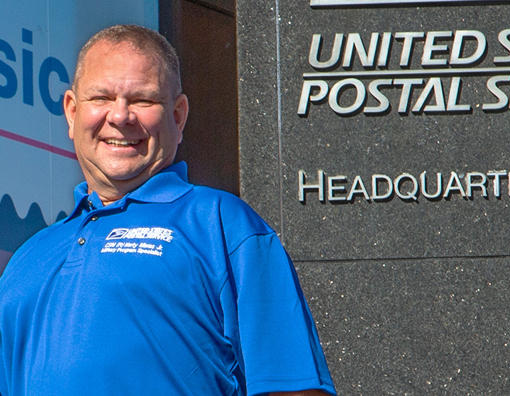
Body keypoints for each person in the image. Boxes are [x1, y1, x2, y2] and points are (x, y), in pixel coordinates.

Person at [0, 25, 336, 396]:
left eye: (143, 100)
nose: (120, 116)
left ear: (177, 117)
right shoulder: (28, 258)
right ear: (72, 112)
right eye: (101, 98)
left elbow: (294, 388)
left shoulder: (223, 225)